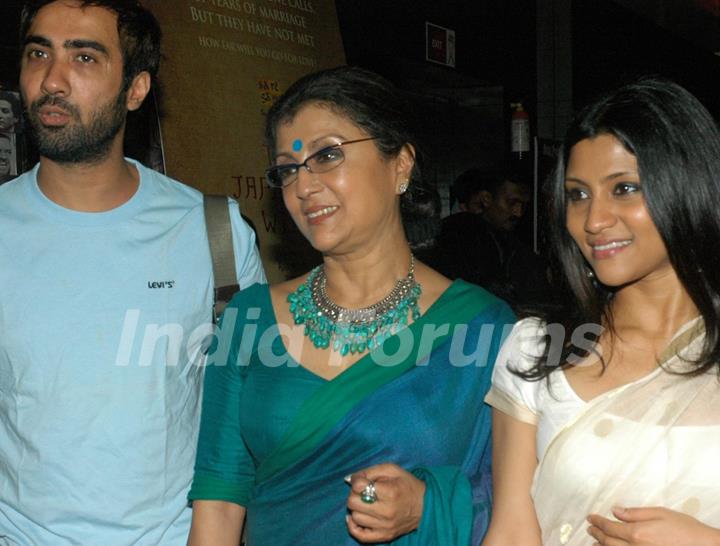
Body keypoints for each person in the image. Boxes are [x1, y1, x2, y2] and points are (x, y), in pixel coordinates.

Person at [187, 66, 514, 546]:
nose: (303, 186)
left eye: (327, 155)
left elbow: (521, 502)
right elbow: (218, 503)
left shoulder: (481, 327)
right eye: (288, 169)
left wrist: (427, 505)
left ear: (400, 164)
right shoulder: (250, 317)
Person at [0, 1, 264, 544]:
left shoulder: (213, 231)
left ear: (137, 89)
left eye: (85, 58)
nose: (52, 79)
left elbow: (250, 411)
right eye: (38, 52)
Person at [482, 76, 720, 546]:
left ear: (689, 186)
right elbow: (512, 531)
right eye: (578, 194)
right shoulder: (537, 347)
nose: (593, 220)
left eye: (624, 188)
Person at [435, 168, 550, 308]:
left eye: (523, 205)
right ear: (486, 199)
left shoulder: (514, 242)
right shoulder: (460, 231)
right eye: (512, 202)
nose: (518, 212)